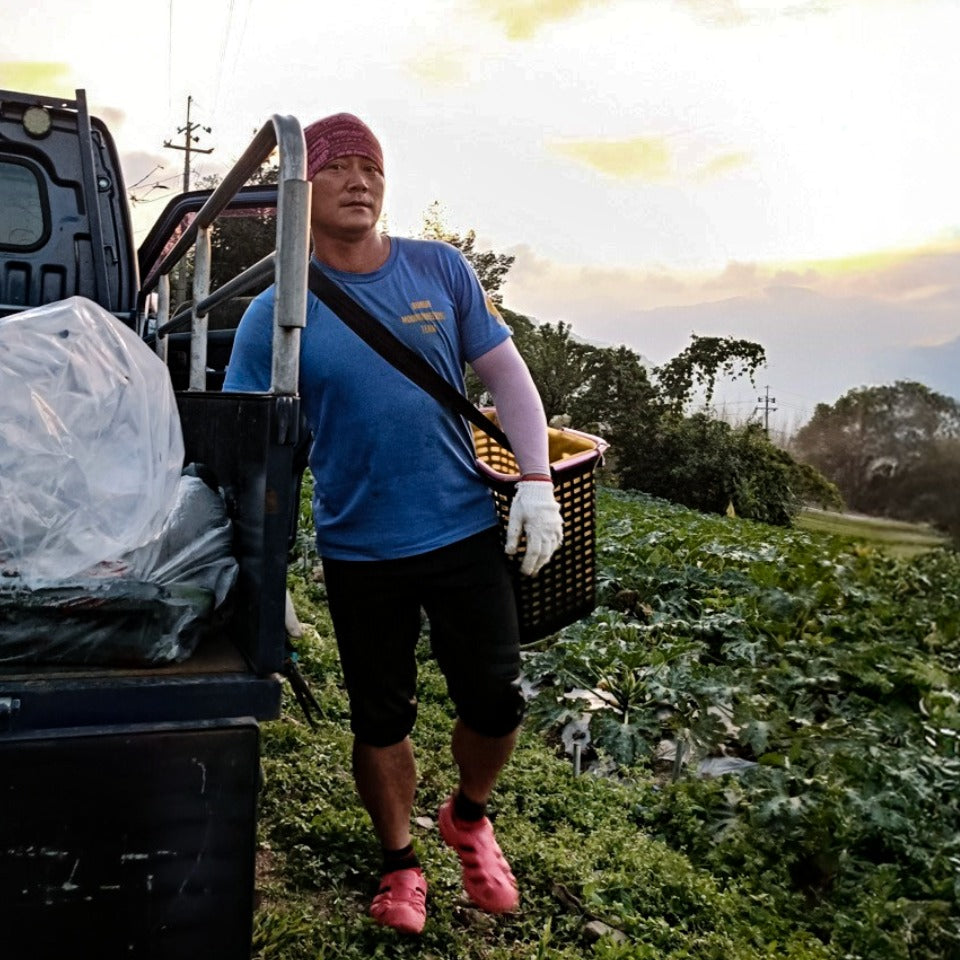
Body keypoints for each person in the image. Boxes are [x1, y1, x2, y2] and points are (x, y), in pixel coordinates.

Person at [223, 112, 563, 935]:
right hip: (359, 544)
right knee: (381, 716)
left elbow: (509, 380)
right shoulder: (274, 312)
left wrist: (537, 481)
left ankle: (470, 816)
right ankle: (401, 864)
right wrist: (262, 571)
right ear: (301, 194)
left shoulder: (439, 272)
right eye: (338, 169)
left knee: (498, 700)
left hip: (460, 529)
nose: (359, 183)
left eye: (371, 169)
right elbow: (246, 446)